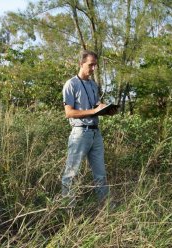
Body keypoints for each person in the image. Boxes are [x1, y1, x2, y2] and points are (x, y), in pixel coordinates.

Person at [61, 50, 116, 207]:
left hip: (95, 133)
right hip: (80, 133)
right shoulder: (71, 84)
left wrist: (106, 110)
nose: (93, 68)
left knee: (100, 174)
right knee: (71, 174)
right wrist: (93, 111)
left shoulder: (93, 85)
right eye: (90, 65)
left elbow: (94, 107)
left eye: (95, 65)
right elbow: (69, 113)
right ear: (81, 64)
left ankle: (105, 208)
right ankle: (68, 210)